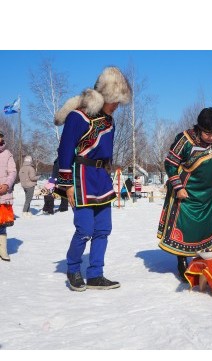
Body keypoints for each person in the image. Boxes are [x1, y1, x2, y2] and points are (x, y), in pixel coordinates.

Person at [54, 66, 132, 291]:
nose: (117, 106)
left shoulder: (110, 121)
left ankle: (96, 273)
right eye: (114, 100)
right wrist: (67, 184)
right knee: (85, 229)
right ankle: (73, 268)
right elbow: (65, 150)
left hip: (101, 178)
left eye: (120, 101)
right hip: (81, 177)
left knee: (103, 230)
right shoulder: (78, 117)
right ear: (105, 96)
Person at [157, 107, 212, 281]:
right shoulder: (185, 139)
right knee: (186, 226)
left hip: (208, 192)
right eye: (208, 133)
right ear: (199, 128)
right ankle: (182, 261)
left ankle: (201, 260)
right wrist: (178, 187)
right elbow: (170, 163)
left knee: (206, 226)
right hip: (186, 190)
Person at [0, 130, 17, 261]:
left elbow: (12, 172)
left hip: (3, 194)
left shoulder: (7, 154)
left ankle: (3, 250)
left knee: (1, 224)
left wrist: (6, 185)